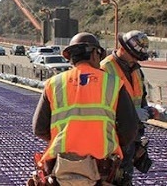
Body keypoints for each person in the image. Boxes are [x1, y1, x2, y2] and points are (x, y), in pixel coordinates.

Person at [30, 32, 138, 186]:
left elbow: (39, 128)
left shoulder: (53, 84)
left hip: (61, 171)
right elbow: (130, 129)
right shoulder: (113, 83)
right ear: (94, 54)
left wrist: (67, 139)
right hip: (103, 170)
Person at [100, 30, 159, 185]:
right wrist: (132, 114)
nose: (135, 61)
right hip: (113, 138)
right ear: (123, 49)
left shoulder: (136, 70)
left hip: (131, 137)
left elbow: (141, 98)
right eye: (134, 56)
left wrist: (146, 113)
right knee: (112, 178)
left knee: (126, 177)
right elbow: (100, 107)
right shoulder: (105, 69)